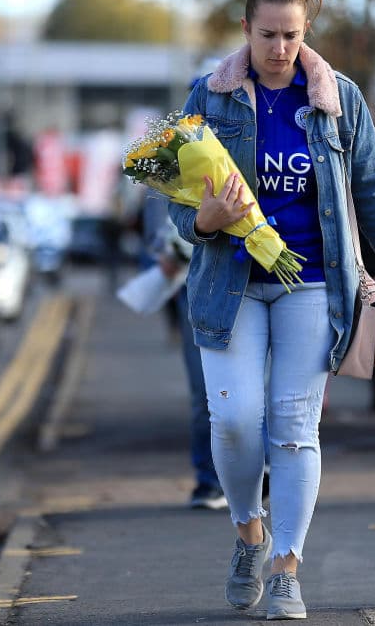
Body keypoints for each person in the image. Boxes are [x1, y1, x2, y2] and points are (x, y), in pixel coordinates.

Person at [167, 0, 375, 620]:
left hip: (312, 284)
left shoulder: (339, 99)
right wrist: (207, 218)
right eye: (268, 35)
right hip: (229, 284)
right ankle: (247, 531)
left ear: (305, 30)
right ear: (245, 27)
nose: (281, 48)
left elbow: (373, 195)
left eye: (292, 35)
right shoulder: (210, 94)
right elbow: (174, 204)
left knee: (292, 428)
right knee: (232, 423)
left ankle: (287, 565)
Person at [142, 192, 227, 510]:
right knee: (205, 392)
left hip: (248, 283)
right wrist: (167, 252)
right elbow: (155, 232)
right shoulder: (165, 157)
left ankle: (262, 468)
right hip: (193, 288)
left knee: (260, 388)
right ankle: (210, 481)